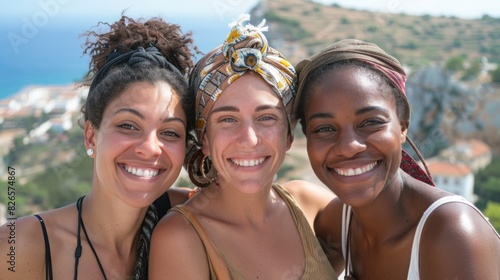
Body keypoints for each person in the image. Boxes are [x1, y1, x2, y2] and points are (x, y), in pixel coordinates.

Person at [0, 15, 197, 279]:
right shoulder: (21, 247)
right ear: (91, 136)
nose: (150, 148)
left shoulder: (191, 214)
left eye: (170, 132)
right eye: (128, 125)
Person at [149, 14, 338, 279]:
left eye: (266, 118)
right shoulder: (181, 237)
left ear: (289, 135)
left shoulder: (311, 205)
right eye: (228, 119)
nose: (249, 138)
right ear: (204, 138)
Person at [294, 38, 500, 279]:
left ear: (402, 128)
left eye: (371, 122)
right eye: (324, 128)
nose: (349, 147)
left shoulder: (452, 234)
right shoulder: (340, 223)